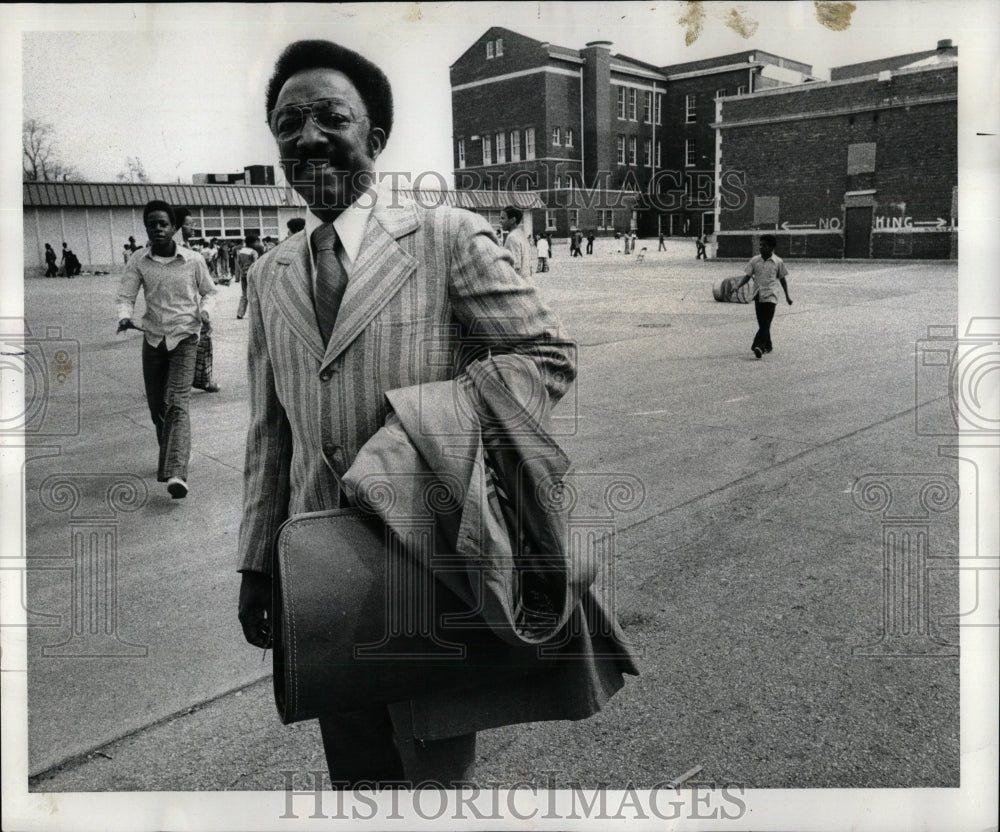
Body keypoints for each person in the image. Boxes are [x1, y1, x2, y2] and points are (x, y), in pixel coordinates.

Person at [237, 39, 634, 788]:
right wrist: (258, 564)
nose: (308, 137)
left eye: (331, 116)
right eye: (289, 124)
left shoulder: (445, 236)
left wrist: (422, 431)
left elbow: (548, 355)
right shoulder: (267, 275)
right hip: (323, 576)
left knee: (432, 771)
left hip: (432, 553)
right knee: (356, 773)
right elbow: (269, 432)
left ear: (374, 139)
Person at [116, 200, 217, 498]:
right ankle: (172, 452)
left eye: (163, 224)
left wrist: (206, 313)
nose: (158, 229)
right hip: (153, 339)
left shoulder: (193, 260)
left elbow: (209, 292)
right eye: (152, 224)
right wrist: (124, 315)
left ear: (174, 228)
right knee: (157, 407)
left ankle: (176, 470)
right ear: (146, 228)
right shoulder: (138, 260)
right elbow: (126, 294)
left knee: (176, 402)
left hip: (185, 337)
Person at [174, 207, 221, 394]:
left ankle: (201, 379)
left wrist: (205, 311)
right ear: (177, 226)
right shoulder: (180, 252)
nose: (193, 227)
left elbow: (207, 290)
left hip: (191, 309)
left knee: (201, 343)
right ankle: (200, 380)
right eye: (189, 224)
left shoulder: (190, 251)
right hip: (180, 311)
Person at [732, 233, 793, 359]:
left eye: (764, 245)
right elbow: (747, 276)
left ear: (771, 248)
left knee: (766, 322)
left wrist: (787, 296)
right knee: (762, 323)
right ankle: (768, 345)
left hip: (771, 296)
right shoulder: (755, 260)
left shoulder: (778, 262)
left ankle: (758, 346)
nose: (760, 247)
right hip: (758, 295)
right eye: (760, 245)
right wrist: (737, 286)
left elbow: (782, 280)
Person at [500, 205, 532, 279]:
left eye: (503, 218)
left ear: (512, 220)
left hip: (518, 283)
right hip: (527, 280)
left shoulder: (512, 237)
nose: (500, 221)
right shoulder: (521, 234)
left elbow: (515, 267)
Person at [234, 234, 259, 319]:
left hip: (243, 274)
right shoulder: (253, 252)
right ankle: (254, 314)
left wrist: (241, 270)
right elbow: (256, 264)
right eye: (256, 242)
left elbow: (238, 263)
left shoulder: (240, 252)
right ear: (253, 243)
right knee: (253, 294)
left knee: (244, 294)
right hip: (251, 274)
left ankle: (240, 313)